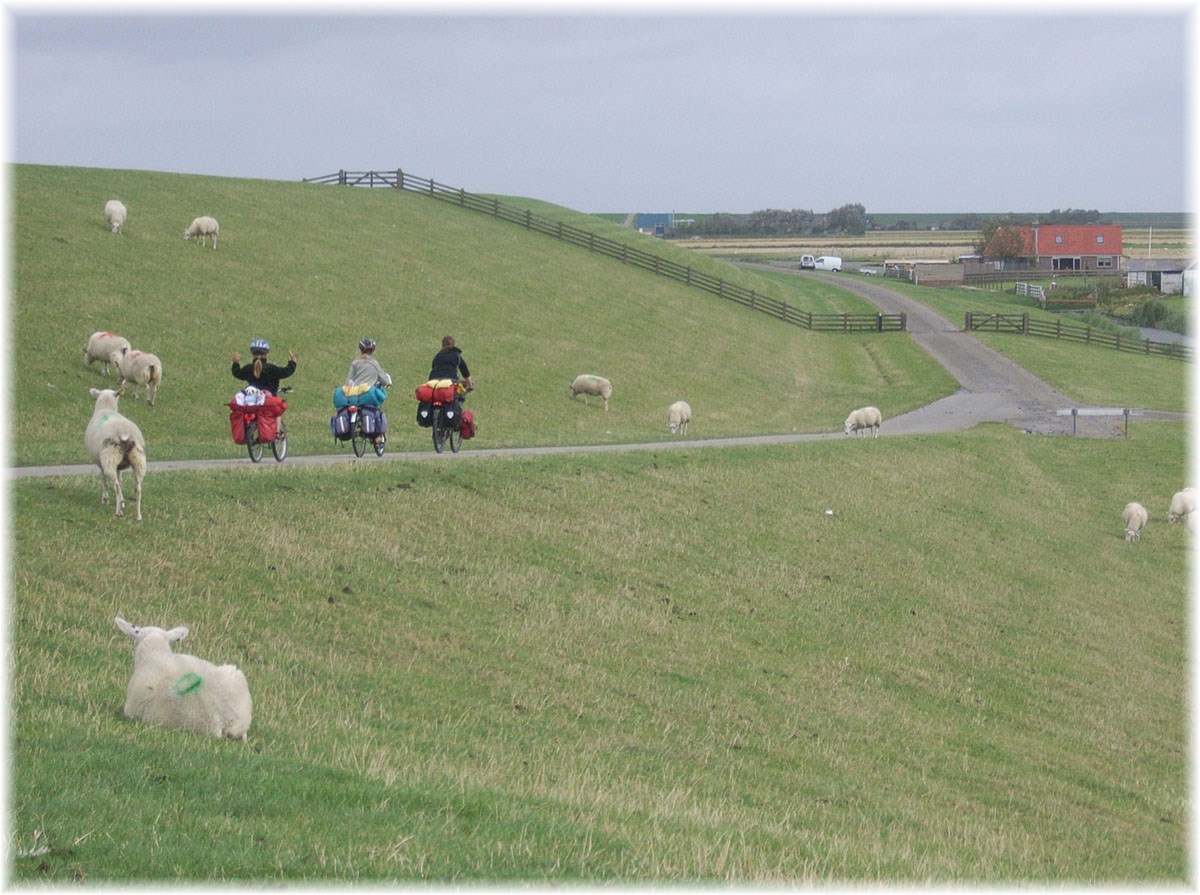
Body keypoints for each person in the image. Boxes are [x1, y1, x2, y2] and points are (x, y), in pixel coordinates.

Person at [231, 339, 296, 395]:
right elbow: (287, 371)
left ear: (252, 353)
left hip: (253, 402)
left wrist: (236, 363)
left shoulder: (248, 368)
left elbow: (237, 373)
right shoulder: (273, 369)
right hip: (270, 403)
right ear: (266, 353)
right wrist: (293, 362)